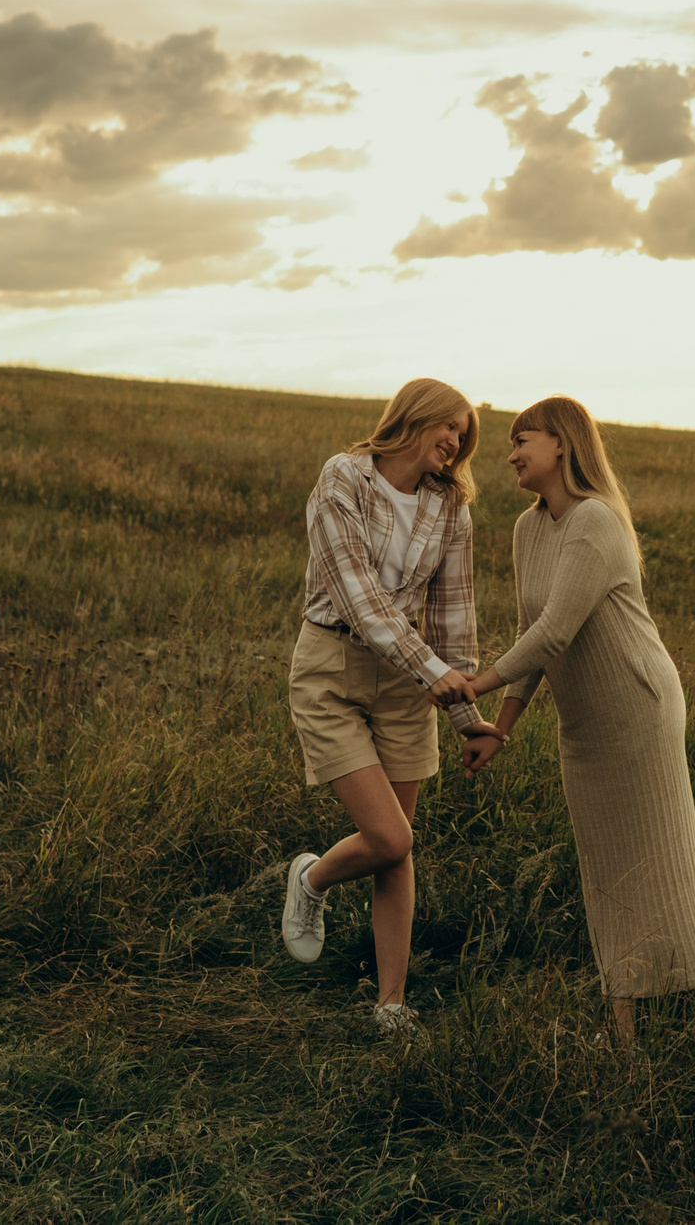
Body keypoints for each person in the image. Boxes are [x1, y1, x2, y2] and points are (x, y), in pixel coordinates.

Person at [438, 394, 695, 1044]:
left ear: (561, 442)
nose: (509, 453)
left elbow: (558, 631)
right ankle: (645, 1023)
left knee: (669, 862)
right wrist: (499, 726)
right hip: (584, 728)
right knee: (608, 875)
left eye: (521, 438)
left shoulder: (596, 521)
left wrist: (476, 679)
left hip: (639, 712)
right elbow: (536, 634)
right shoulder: (527, 529)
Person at [278, 377, 500, 1034]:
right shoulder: (343, 477)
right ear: (414, 417)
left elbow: (453, 615)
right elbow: (358, 598)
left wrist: (467, 716)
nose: (456, 441)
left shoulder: (451, 505)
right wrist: (431, 670)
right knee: (390, 835)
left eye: (463, 434)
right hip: (333, 669)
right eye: (449, 427)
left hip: (409, 688)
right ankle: (313, 880)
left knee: (397, 851)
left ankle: (390, 1003)